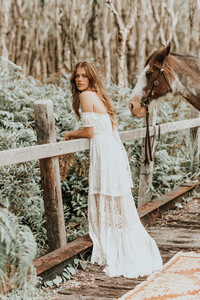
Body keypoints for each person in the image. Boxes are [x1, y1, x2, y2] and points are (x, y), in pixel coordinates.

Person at [64, 61, 163, 278]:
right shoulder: (97, 95)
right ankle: (117, 239)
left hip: (104, 153)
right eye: (77, 76)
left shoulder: (85, 97)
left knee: (105, 196)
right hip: (111, 152)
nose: (79, 79)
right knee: (114, 199)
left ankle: (113, 243)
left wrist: (70, 133)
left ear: (90, 78)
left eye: (84, 76)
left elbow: (90, 132)